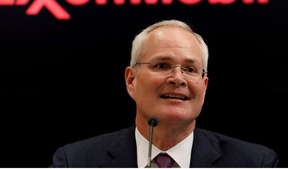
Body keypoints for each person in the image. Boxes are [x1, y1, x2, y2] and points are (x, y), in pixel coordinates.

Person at [50, 19, 279, 168]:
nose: (178, 78)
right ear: (131, 80)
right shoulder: (75, 162)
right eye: (162, 66)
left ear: (204, 86)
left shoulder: (255, 163)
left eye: (190, 69)